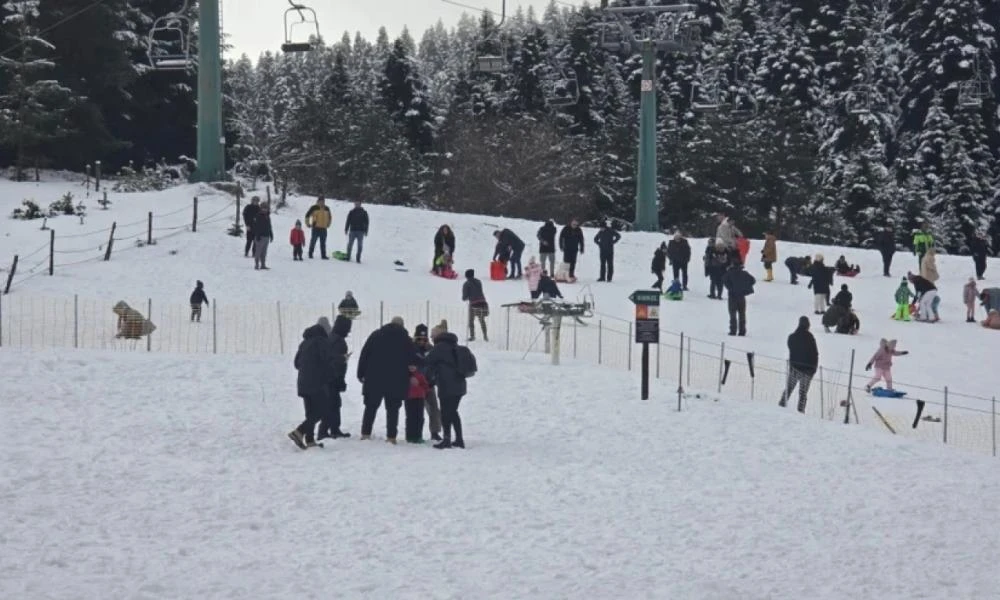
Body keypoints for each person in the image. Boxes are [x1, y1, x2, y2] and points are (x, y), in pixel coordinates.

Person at [356, 316, 419, 444]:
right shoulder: (405, 340)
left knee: (371, 406)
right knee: (393, 409)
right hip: (397, 379)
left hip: (374, 378)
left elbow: (365, 354)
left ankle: (366, 433)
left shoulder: (375, 335)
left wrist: (360, 373)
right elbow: (412, 359)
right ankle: (391, 437)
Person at [288, 317, 336, 449]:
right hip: (317, 383)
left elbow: (297, 364)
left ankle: (310, 440)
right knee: (322, 411)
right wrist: (331, 374)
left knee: (310, 412)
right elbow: (326, 362)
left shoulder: (304, 343)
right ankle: (299, 432)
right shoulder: (322, 342)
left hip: (303, 382)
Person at [426, 322, 470, 449]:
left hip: (446, 385)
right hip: (460, 385)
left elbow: (428, 362)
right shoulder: (453, 345)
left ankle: (447, 439)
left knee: (446, 412)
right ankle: (459, 439)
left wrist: (429, 380)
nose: (431, 338)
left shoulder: (439, 348)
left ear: (437, 337)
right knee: (453, 412)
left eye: (432, 336)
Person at [317, 315, 353, 440]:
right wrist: (340, 378)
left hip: (328, 377)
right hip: (333, 377)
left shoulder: (331, 338)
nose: (349, 331)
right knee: (332, 404)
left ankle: (334, 429)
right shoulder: (339, 341)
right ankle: (325, 430)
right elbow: (336, 361)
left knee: (335, 403)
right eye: (348, 328)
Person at [779, 316, 818, 413]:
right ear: (808, 325)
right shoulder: (810, 337)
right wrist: (814, 369)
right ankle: (801, 411)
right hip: (808, 371)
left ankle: (781, 406)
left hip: (795, 368)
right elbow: (815, 353)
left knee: (788, 389)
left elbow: (791, 348)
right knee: (803, 393)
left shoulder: (792, 337)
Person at [413, 324, 442, 441]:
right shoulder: (411, 349)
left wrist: (433, 380)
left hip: (429, 384)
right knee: (417, 411)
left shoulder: (431, 350)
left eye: (424, 339)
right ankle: (416, 432)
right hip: (416, 385)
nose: (422, 341)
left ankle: (435, 432)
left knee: (434, 409)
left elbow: (435, 367)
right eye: (419, 339)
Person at [722, 262, 755, 336]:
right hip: (742, 296)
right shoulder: (745, 273)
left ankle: (733, 330)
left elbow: (724, 280)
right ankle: (742, 331)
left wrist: (730, 288)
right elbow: (753, 280)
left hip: (732, 296)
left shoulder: (729, 273)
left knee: (732, 314)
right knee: (742, 314)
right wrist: (745, 286)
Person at [405, 365, 430, 444]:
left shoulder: (420, 375)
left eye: (414, 366)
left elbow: (425, 386)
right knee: (410, 417)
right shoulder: (405, 375)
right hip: (409, 398)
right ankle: (410, 436)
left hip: (419, 398)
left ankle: (418, 436)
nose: (412, 367)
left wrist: (421, 389)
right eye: (410, 366)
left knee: (419, 418)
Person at [462, 269, 489, 341]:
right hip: (483, 303)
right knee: (482, 320)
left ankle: (472, 336)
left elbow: (464, 297)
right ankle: (485, 336)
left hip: (474, 304)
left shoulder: (466, 284)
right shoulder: (479, 281)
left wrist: (466, 297)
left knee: (471, 320)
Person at [251, 202, 274, 270]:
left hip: (266, 236)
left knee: (264, 252)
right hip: (260, 237)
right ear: (261, 208)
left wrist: (271, 234)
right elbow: (256, 226)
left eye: (266, 208)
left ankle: (263, 265)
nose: (264, 209)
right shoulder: (258, 216)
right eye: (263, 208)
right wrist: (257, 235)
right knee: (258, 252)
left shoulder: (268, 216)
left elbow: (269, 226)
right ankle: (256, 264)